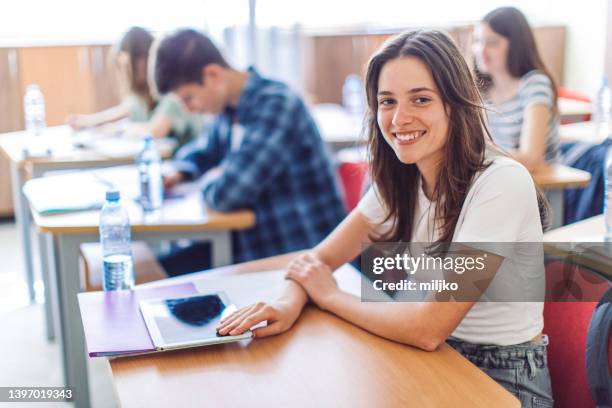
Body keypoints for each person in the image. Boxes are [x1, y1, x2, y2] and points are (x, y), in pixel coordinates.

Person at [217, 30, 554, 407]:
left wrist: (327, 295)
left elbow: (428, 328)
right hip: (429, 357)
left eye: (421, 99)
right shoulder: (402, 178)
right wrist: (287, 302)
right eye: (387, 101)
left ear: (456, 104)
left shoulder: (501, 183)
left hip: (502, 378)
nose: (399, 118)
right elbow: (318, 259)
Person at [154, 29, 346, 276]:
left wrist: (212, 179)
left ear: (212, 75)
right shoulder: (228, 110)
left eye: (188, 98)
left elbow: (228, 194)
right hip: (254, 244)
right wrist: (180, 173)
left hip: (300, 254)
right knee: (164, 267)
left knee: (170, 278)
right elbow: (201, 153)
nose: (189, 110)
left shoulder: (276, 104)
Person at [67, 27, 203, 150]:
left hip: (190, 170)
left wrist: (118, 129)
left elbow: (154, 131)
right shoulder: (141, 98)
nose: (124, 75)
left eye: (125, 67)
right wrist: (88, 121)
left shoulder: (171, 93)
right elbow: (123, 110)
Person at [473, 7, 560, 171]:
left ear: (516, 46)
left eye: (492, 43)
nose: (481, 50)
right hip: (498, 175)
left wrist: (473, 157)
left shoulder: (534, 84)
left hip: (536, 185)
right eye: (477, 41)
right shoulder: (482, 90)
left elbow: (532, 158)